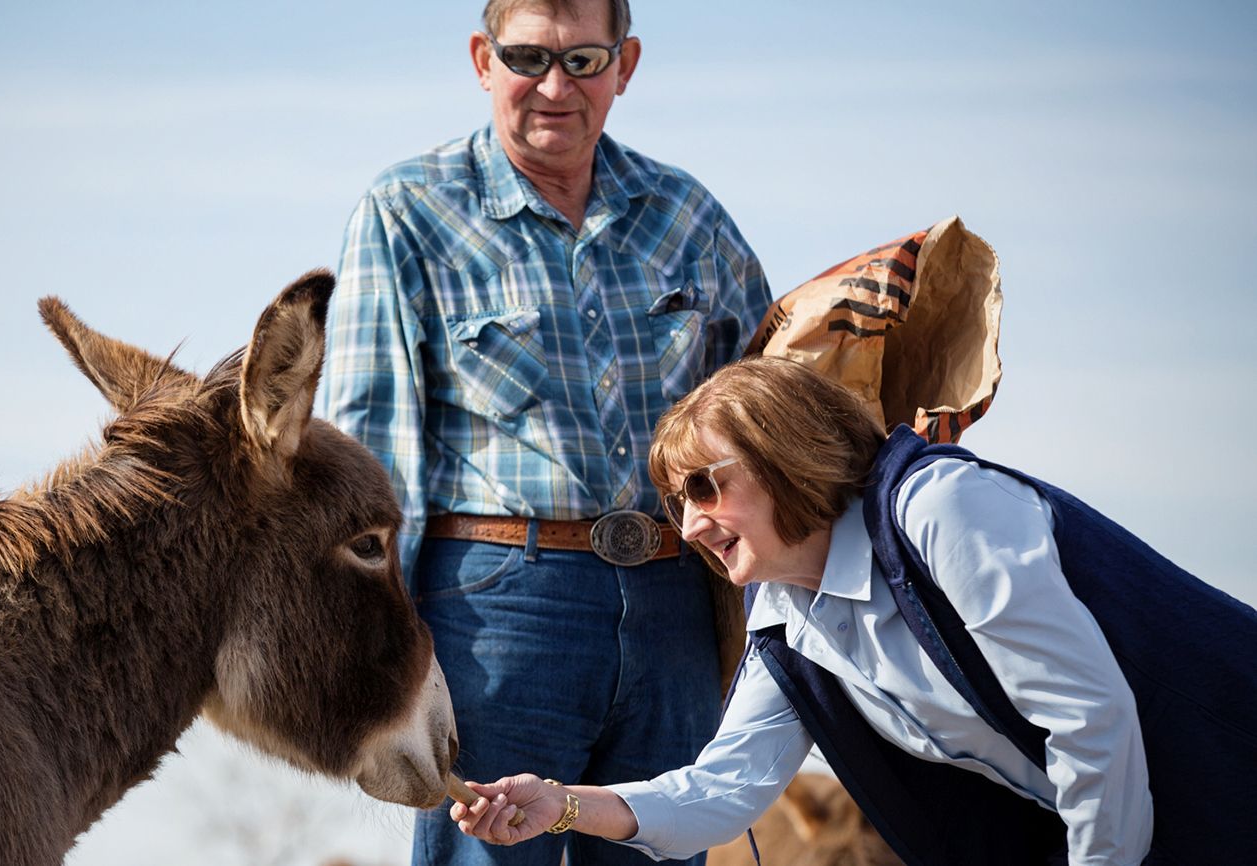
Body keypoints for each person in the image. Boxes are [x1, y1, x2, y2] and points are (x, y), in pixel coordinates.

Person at [451, 355, 1257, 865]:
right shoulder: (787, 621)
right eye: (675, 501)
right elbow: (723, 791)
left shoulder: (944, 510)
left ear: (784, 455)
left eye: (704, 486)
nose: (690, 525)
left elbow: (1088, 719)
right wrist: (560, 805)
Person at [320, 0, 772, 863]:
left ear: (626, 65)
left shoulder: (689, 217)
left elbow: (768, 415)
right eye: (527, 57)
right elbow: (371, 462)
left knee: (665, 844)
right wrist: (377, 663)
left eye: (584, 61)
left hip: (677, 605)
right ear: (482, 61)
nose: (554, 86)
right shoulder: (408, 212)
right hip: (496, 610)